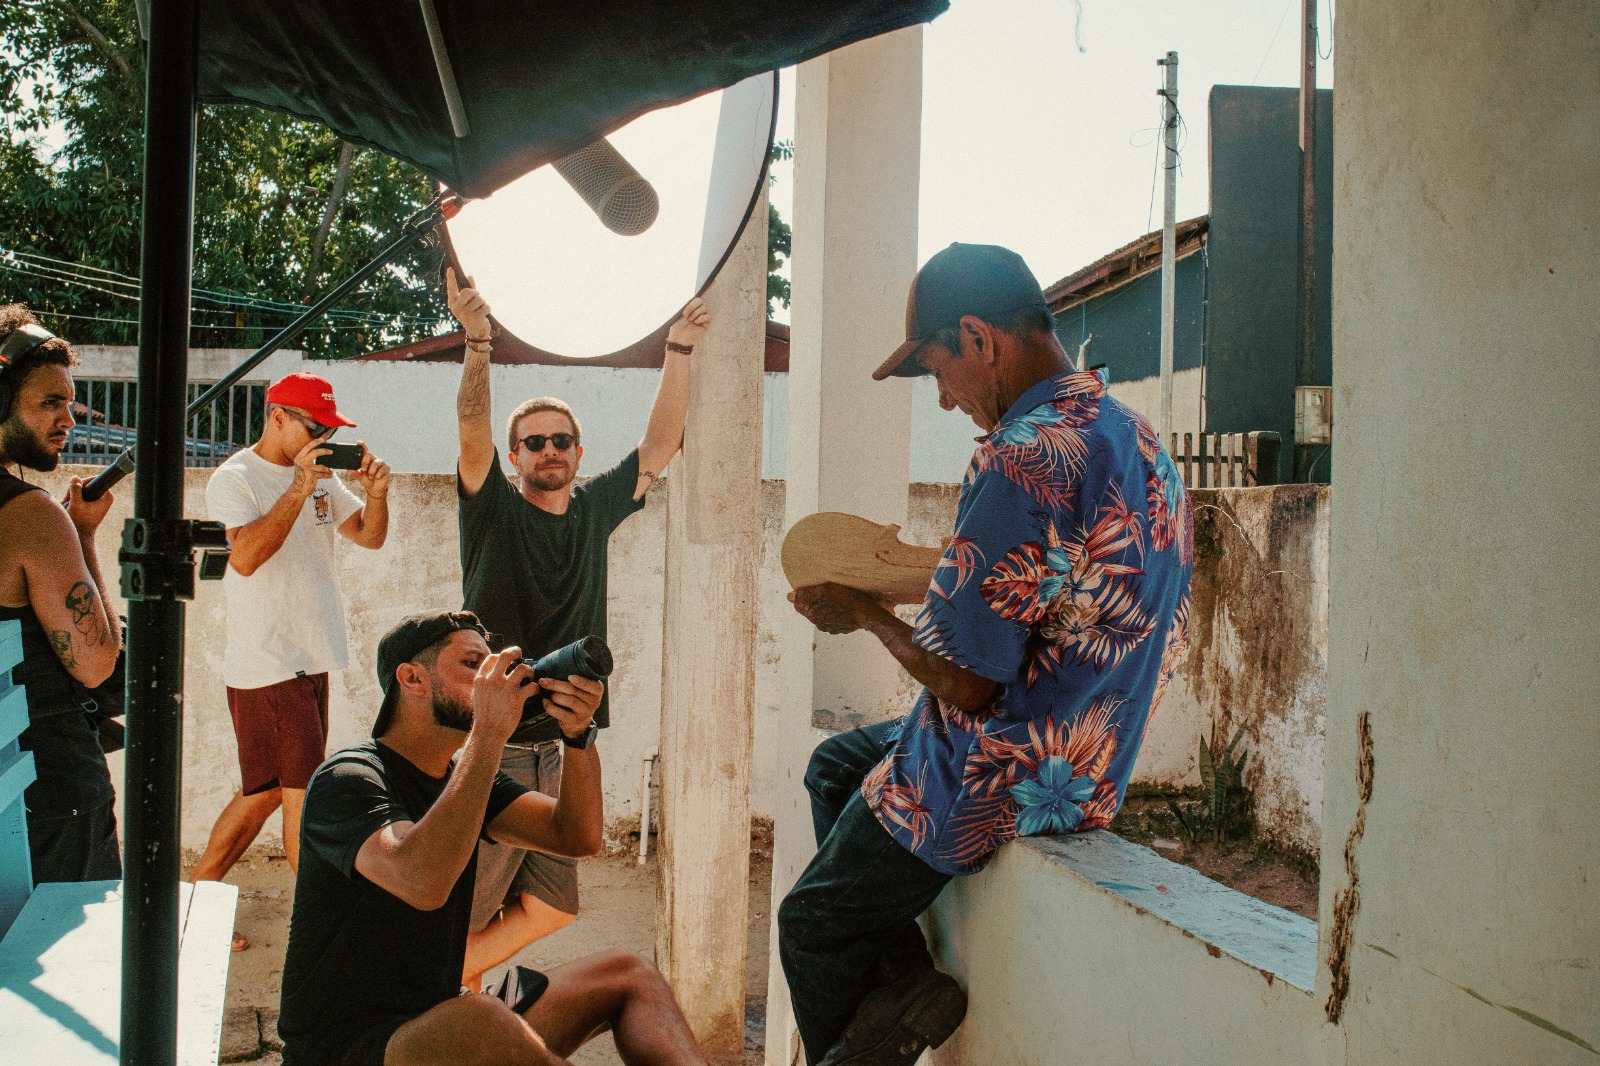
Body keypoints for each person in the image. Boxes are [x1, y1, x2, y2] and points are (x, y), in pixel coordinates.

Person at [777, 244, 1195, 1066]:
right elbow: (1042, 593)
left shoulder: (1020, 453)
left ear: (978, 337)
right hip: (1090, 759)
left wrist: (865, 614)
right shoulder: (1137, 437)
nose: (944, 399)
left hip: (997, 770)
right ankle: (903, 986)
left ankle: (879, 1018)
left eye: (940, 371)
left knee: (811, 926)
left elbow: (966, 685)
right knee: (834, 767)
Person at [278, 609, 707, 1066]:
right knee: (480, 1018)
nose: (490, 679)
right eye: (472, 665)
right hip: (352, 1050)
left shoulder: (464, 777)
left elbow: (577, 835)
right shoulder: (349, 777)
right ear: (412, 678)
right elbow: (422, 881)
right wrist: (487, 734)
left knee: (627, 974)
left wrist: (578, 735)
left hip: (441, 1020)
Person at [446, 268, 711, 986]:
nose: (549, 450)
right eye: (533, 442)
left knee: (551, 904)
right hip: (499, 743)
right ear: (513, 457)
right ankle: (435, 1005)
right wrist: (478, 342)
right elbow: (471, 430)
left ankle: (449, 988)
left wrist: (678, 348)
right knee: (465, 904)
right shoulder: (492, 510)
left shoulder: (593, 511)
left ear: (578, 452)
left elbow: (660, 445)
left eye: (561, 439)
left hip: (565, 746)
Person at [191, 372, 391, 949]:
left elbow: (368, 536)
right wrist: (299, 488)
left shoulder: (323, 477)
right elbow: (245, 557)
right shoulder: (235, 478)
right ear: (277, 417)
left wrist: (377, 495)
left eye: (330, 430)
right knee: (303, 799)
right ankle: (320, 936)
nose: (323, 438)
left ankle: (195, 901)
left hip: (309, 656)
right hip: (270, 661)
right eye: (314, 427)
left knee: (266, 789)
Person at [0, 306, 124, 882]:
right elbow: (97, 664)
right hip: (48, 792)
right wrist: (84, 535)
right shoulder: (31, 516)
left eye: (69, 403)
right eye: (51, 402)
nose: (69, 419)